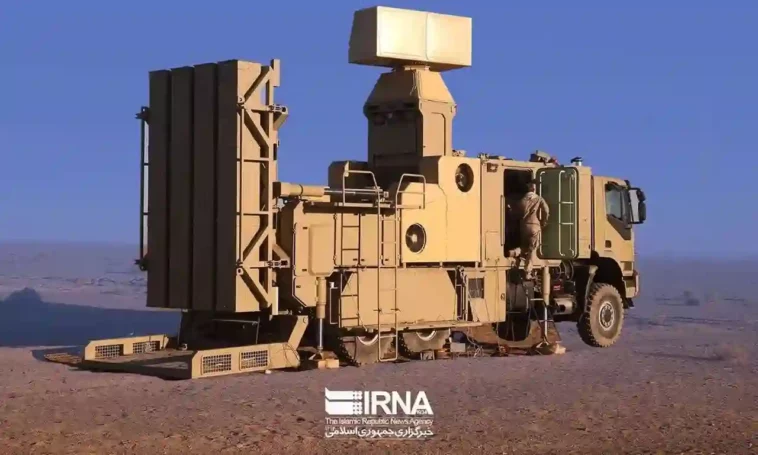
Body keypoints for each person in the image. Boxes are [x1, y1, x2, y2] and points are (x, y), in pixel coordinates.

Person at [514, 182, 549, 275]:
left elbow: (516, 212)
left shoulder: (522, 200)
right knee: (532, 248)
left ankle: (515, 253)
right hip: (534, 226)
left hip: (524, 226)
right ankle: (528, 270)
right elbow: (546, 210)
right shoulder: (539, 199)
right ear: (534, 189)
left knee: (524, 246)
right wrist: (544, 221)